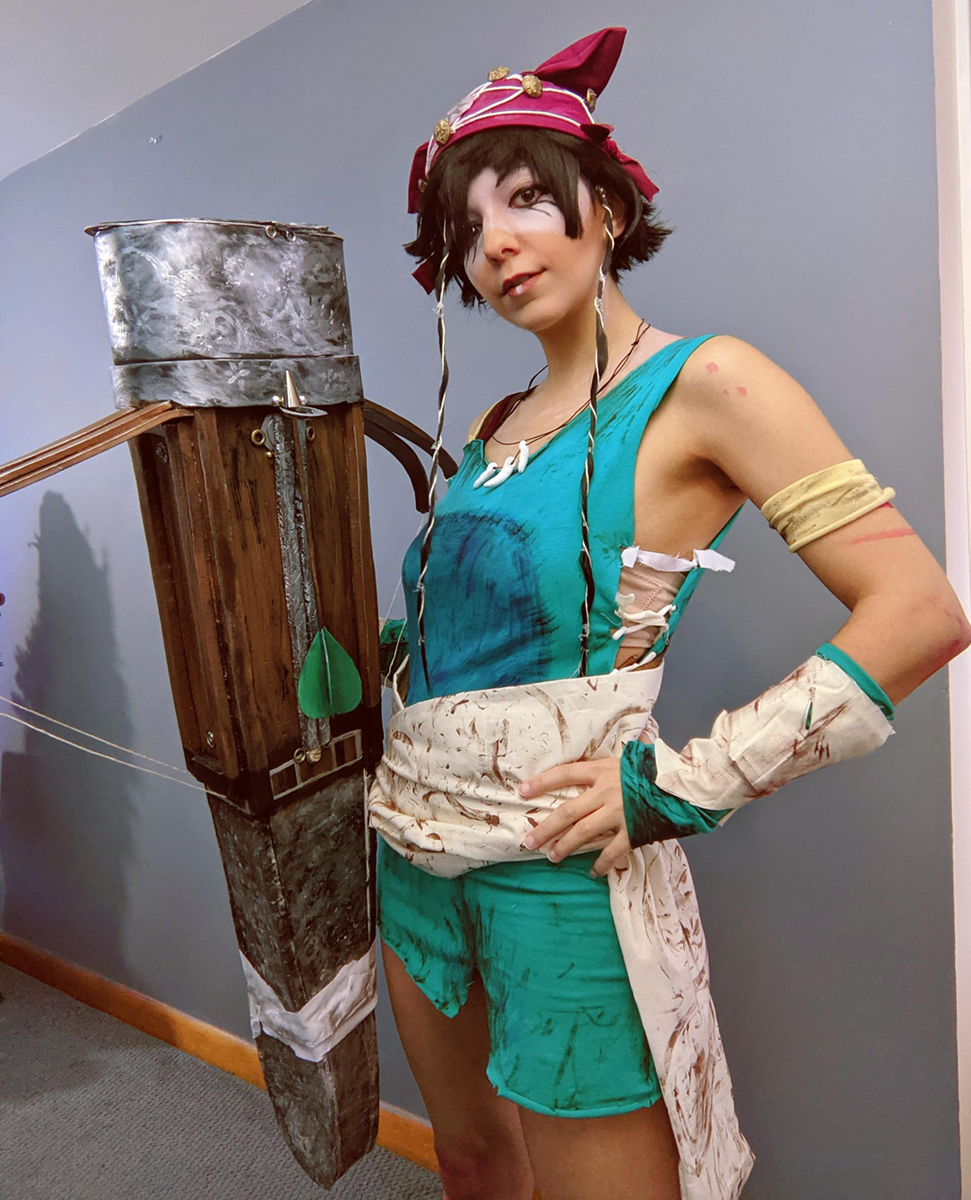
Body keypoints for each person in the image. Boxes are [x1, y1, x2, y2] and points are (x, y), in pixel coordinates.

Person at [366, 27, 971, 1200]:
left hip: (557, 862)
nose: (495, 245)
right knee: (473, 1160)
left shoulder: (705, 383)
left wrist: (680, 784)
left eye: (525, 199)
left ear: (602, 206)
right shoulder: (490, 427)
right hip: (412, 846)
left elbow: (918, 610)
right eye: (466, 230)